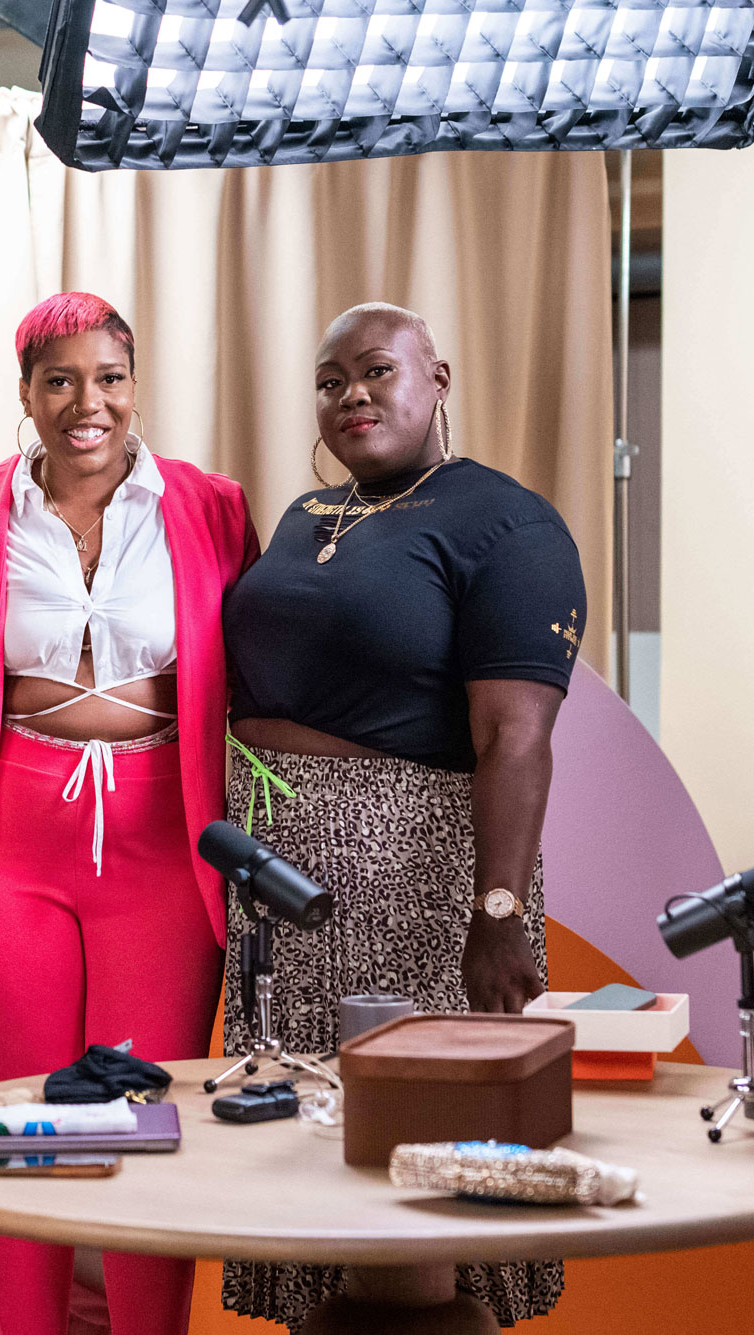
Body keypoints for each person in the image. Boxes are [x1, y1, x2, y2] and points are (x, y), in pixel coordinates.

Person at [219, 302, 585, 1328]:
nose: (352, 395)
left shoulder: (506, 525)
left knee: (421, 1188)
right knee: (310, 1178)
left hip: (418, 884)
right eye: (331, 380)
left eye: (377, 371)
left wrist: (498, 912)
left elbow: (515, 737)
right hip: (284, 887)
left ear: (438, 380)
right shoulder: (302, 517)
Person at [0, 292, 256, 1335]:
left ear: (134, 383)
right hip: (11, 845)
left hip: (161, 845)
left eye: (107, 378)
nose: (85, 403)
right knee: (24, 1130)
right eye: (58, 381)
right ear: (24, 393)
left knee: (145, 1129)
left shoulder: (209, 508)